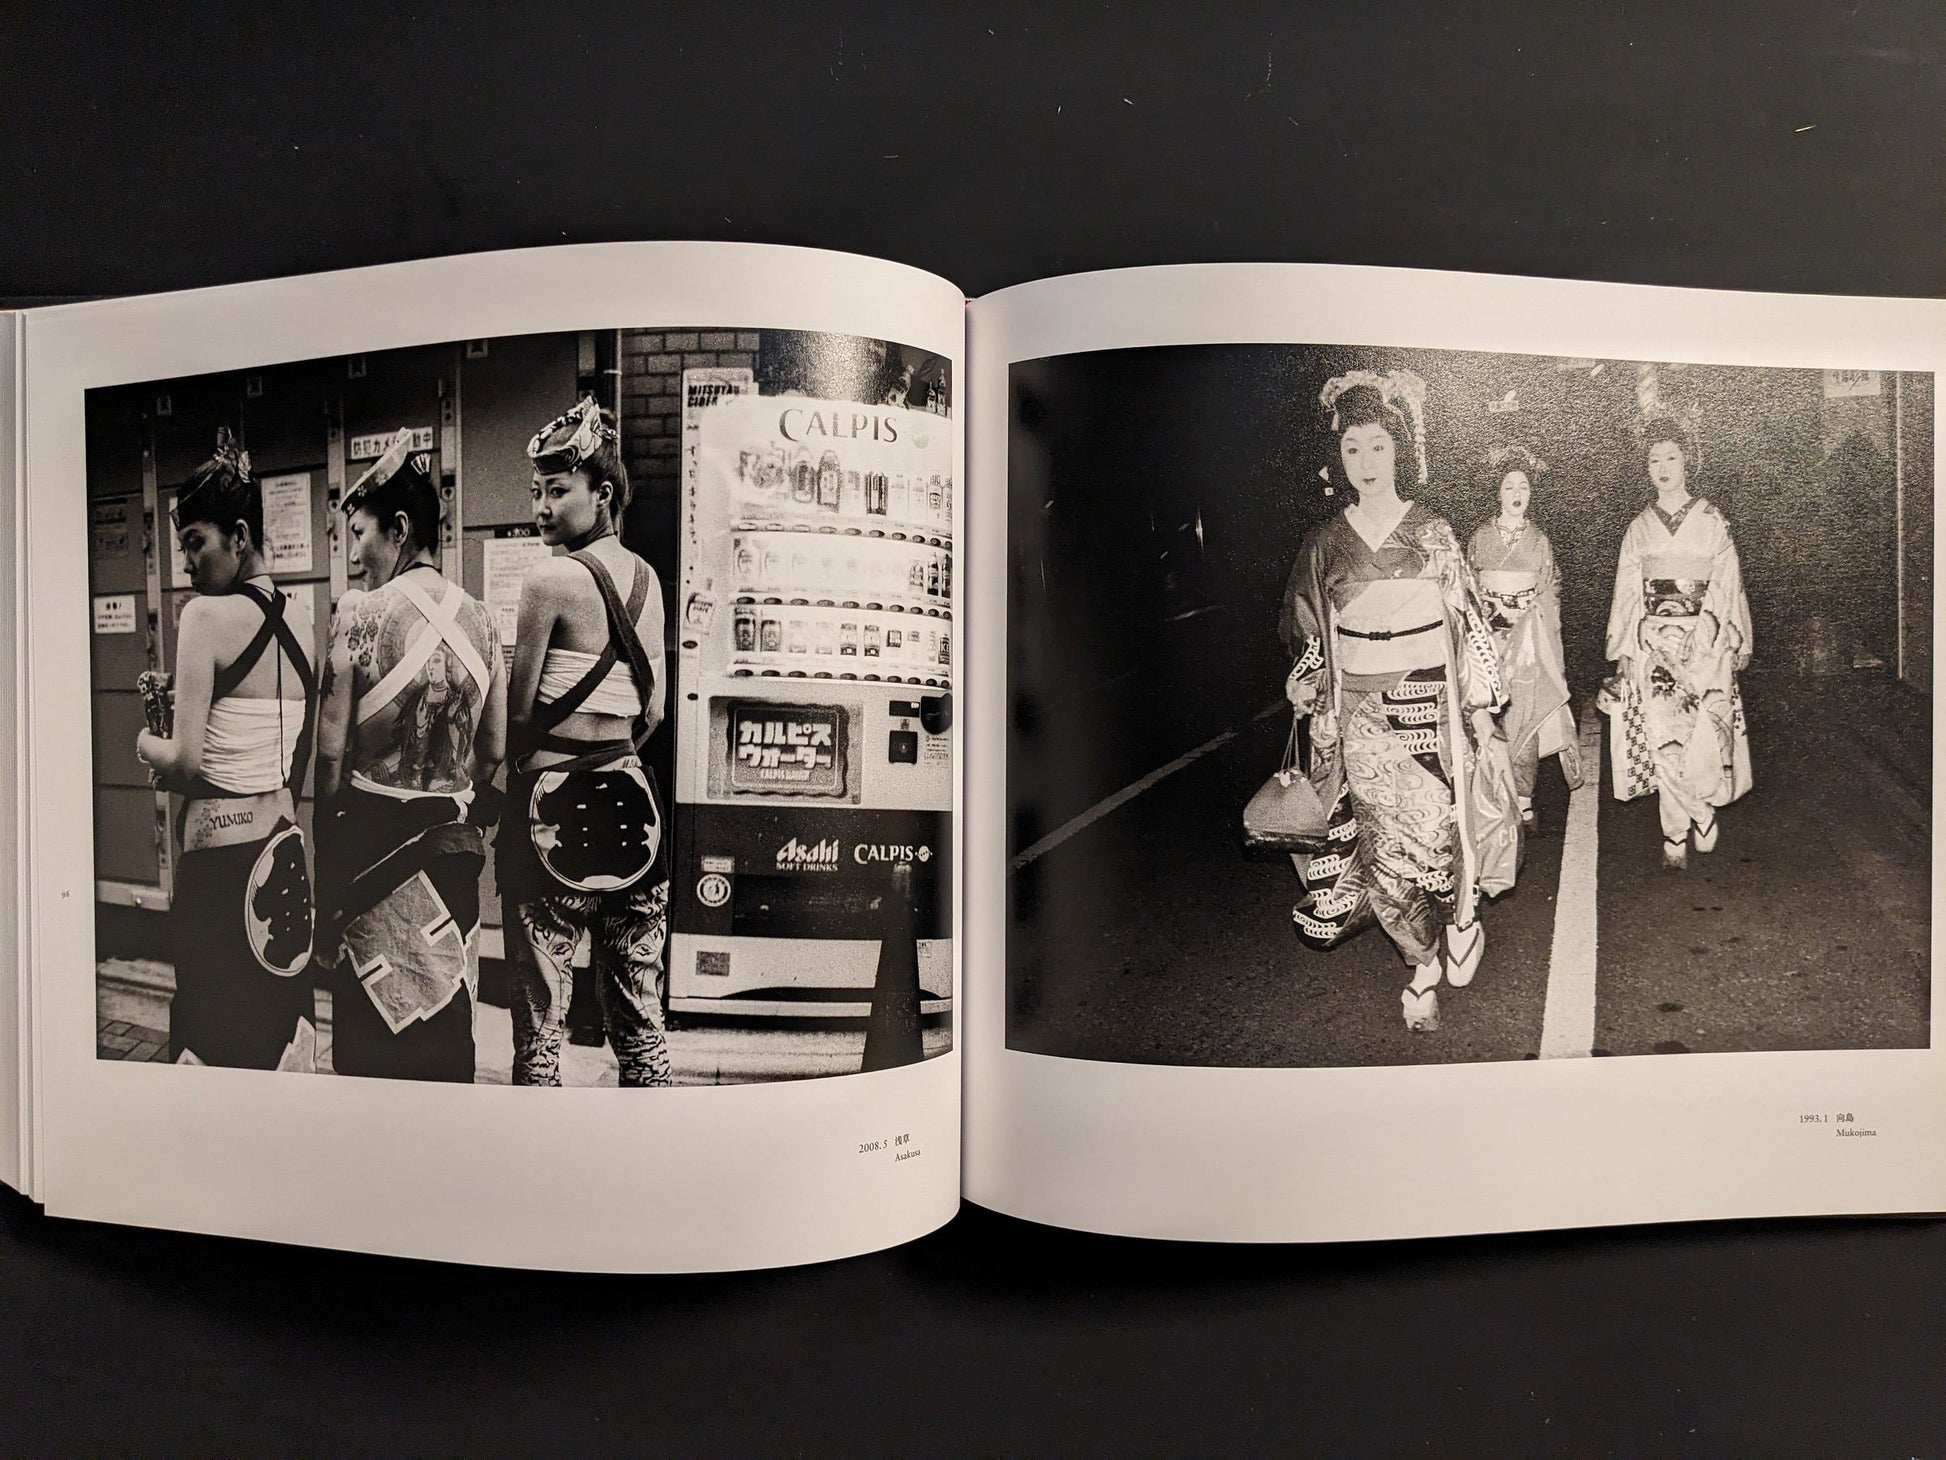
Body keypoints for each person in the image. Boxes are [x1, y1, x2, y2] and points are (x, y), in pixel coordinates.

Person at [1278, 370, 1518, 1033]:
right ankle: (1420, 963)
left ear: (1399, 449)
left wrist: (1480, 709)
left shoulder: (1435, 531)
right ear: (1338, 455)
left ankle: (1462, 913)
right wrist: (1305, 680)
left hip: (1429, 702)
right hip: (1361, 711)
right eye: (1352, 447)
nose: (1365, 462)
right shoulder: (1326, 542)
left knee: (1443, 835)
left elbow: (1469, 623)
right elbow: (1312, 630)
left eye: (1378, 446)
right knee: (1384, 849)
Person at [313, 430, 504, 1081]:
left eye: (359, 534)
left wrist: (327, 861)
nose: (355, 555)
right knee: (444, 1016)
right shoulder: (483, 619)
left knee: (373, 1029)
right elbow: (496, 748)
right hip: (450, 853)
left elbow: (329, 756)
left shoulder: (359, 613)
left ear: (397, 529)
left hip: (371, 849)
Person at [498, 397, 672, 1086]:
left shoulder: (549, 580)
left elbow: (518, 714)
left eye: (557, 490)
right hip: (634, 809)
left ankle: (540, 1168)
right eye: (537, 491)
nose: (542, 506)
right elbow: (652, 710)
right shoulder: (649, 581)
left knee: (543, 1032)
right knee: (641, 1022)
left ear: (603, 492)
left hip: (552, 811)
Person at [135, 428, 317, 1069]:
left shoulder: (203, 618)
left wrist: (143, 741)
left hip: (219, 871)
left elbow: (184, 762)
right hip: (285, 859)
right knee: (276, 1035)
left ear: (240, 538)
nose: (186, 562)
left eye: (195, 543)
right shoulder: (302, 617)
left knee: (213, 1040)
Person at [1604, 417, 1752, 870]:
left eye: (1671, 457)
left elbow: (1729, 582)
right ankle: (1678, 828)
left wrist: (1713, 630)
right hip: (1654, 644)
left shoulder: (1712, 520)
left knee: (1704, 735)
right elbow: (1627, 593)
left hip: (1704, 642)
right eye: (1654, 460)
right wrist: (1629, 647)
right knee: (1663, 737)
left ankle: (1702, 808)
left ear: (1688, 461)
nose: (1662, 467)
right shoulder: (1638, 528)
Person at [1466, 445, 1583, 825]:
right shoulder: (1480, 537)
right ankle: (1490, 790)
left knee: (1525, 715)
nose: (1517, 495)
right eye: (1509, 487)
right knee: (1487, 714)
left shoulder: (1540, 541)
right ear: (1497, 492)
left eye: (1524, 488)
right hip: (1488, 638)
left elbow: (1551, 589)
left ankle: (1524, 794)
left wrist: (1533, 616)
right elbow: (1467, 589)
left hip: (1528, 640)